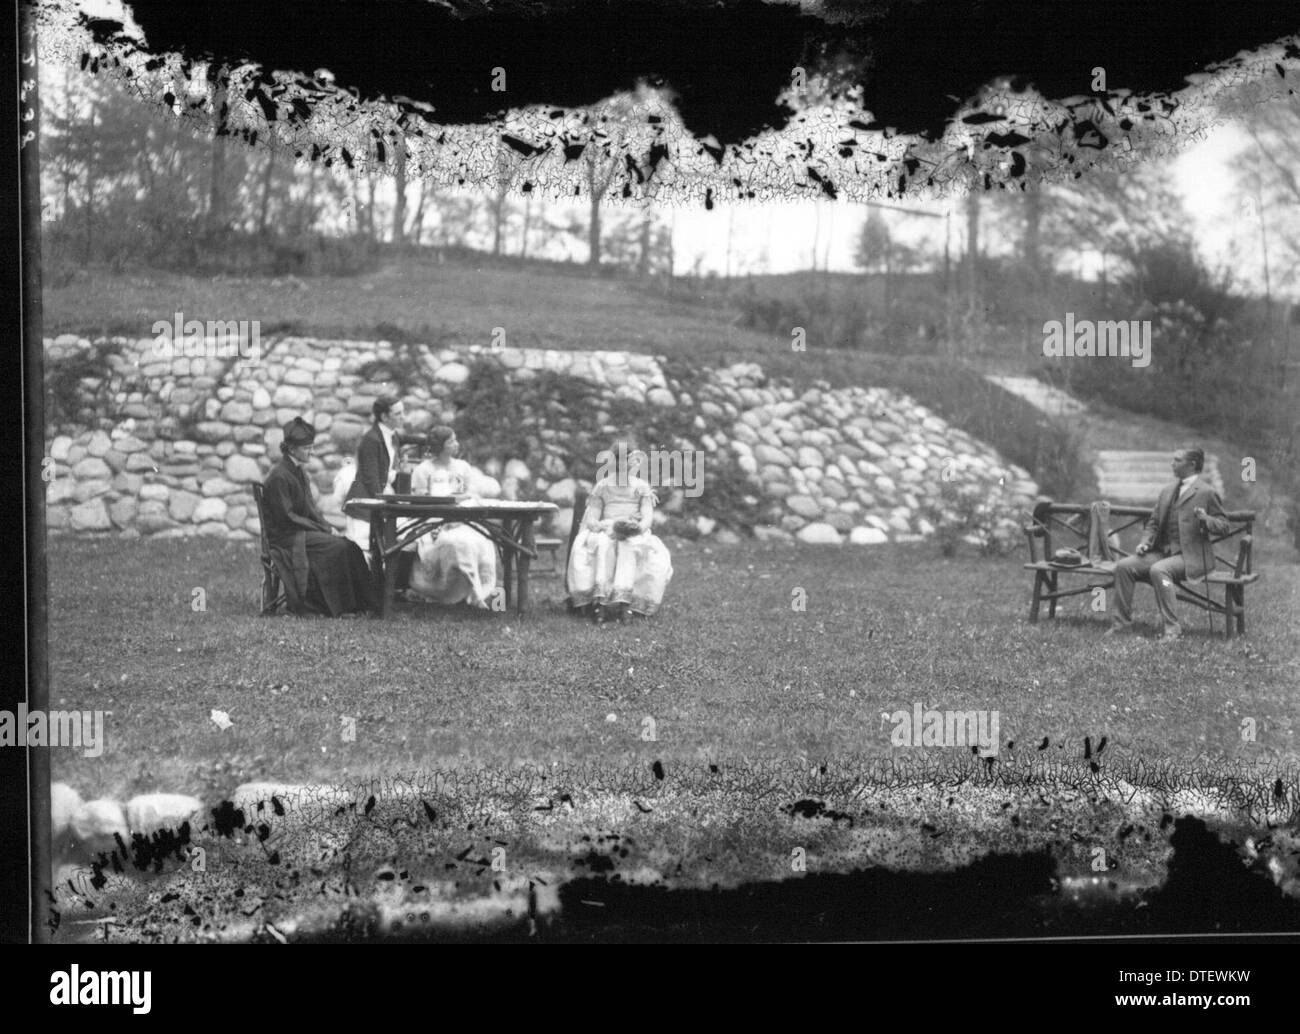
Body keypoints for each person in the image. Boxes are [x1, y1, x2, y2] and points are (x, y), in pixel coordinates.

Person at [1105, 447, 1230, 641]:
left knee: (1159, 571)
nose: (1172, 464)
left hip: (1191, 557)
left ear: (1192, 465)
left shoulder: (1206, 492)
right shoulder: (1167, 491)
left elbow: (1224, 526)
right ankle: (1121, 625)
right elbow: (1153, 523)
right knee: (1123, 566)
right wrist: (1145, 542)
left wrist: (1206, 519)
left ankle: (1172, 630)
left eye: (1177, 460)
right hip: (1163, 553)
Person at [262, 417, 373, 617]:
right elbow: (288, 517)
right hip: (286, 538)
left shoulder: (298, 472)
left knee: (349, 545)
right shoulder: (279, 476)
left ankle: (363, 603)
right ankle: (337, 607)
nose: (312, 452)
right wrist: (322, 530)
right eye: (307, 448)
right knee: (337, 548)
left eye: (312, 447)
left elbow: (311, 509)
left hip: (300, 532)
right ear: (291, 449)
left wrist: (328, 527)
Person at [567, 440, 673, 623]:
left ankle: (626, 604)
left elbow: (647, 518)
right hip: (607, 528)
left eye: (627, 462)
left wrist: (636, 528)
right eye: (619, 461)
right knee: (603, 544)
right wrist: (603, 526)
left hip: (633, 529)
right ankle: (600, 602)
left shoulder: (641, 487)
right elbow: (592, 518)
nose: (623, 466)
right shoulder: (603, 486)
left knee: (630, 546)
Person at [407, 426, 499, 608]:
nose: (456, 444)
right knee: (456, 543)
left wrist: (462, 513)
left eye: (456, 440)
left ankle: (479, 592)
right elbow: (419, 502)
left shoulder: (463, 467)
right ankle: (450, 592)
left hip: (463, 520)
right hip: (433, 522)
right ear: (440, 445)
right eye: (451, 441)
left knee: (480, 542)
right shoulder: (423, 470)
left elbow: (471, 495)